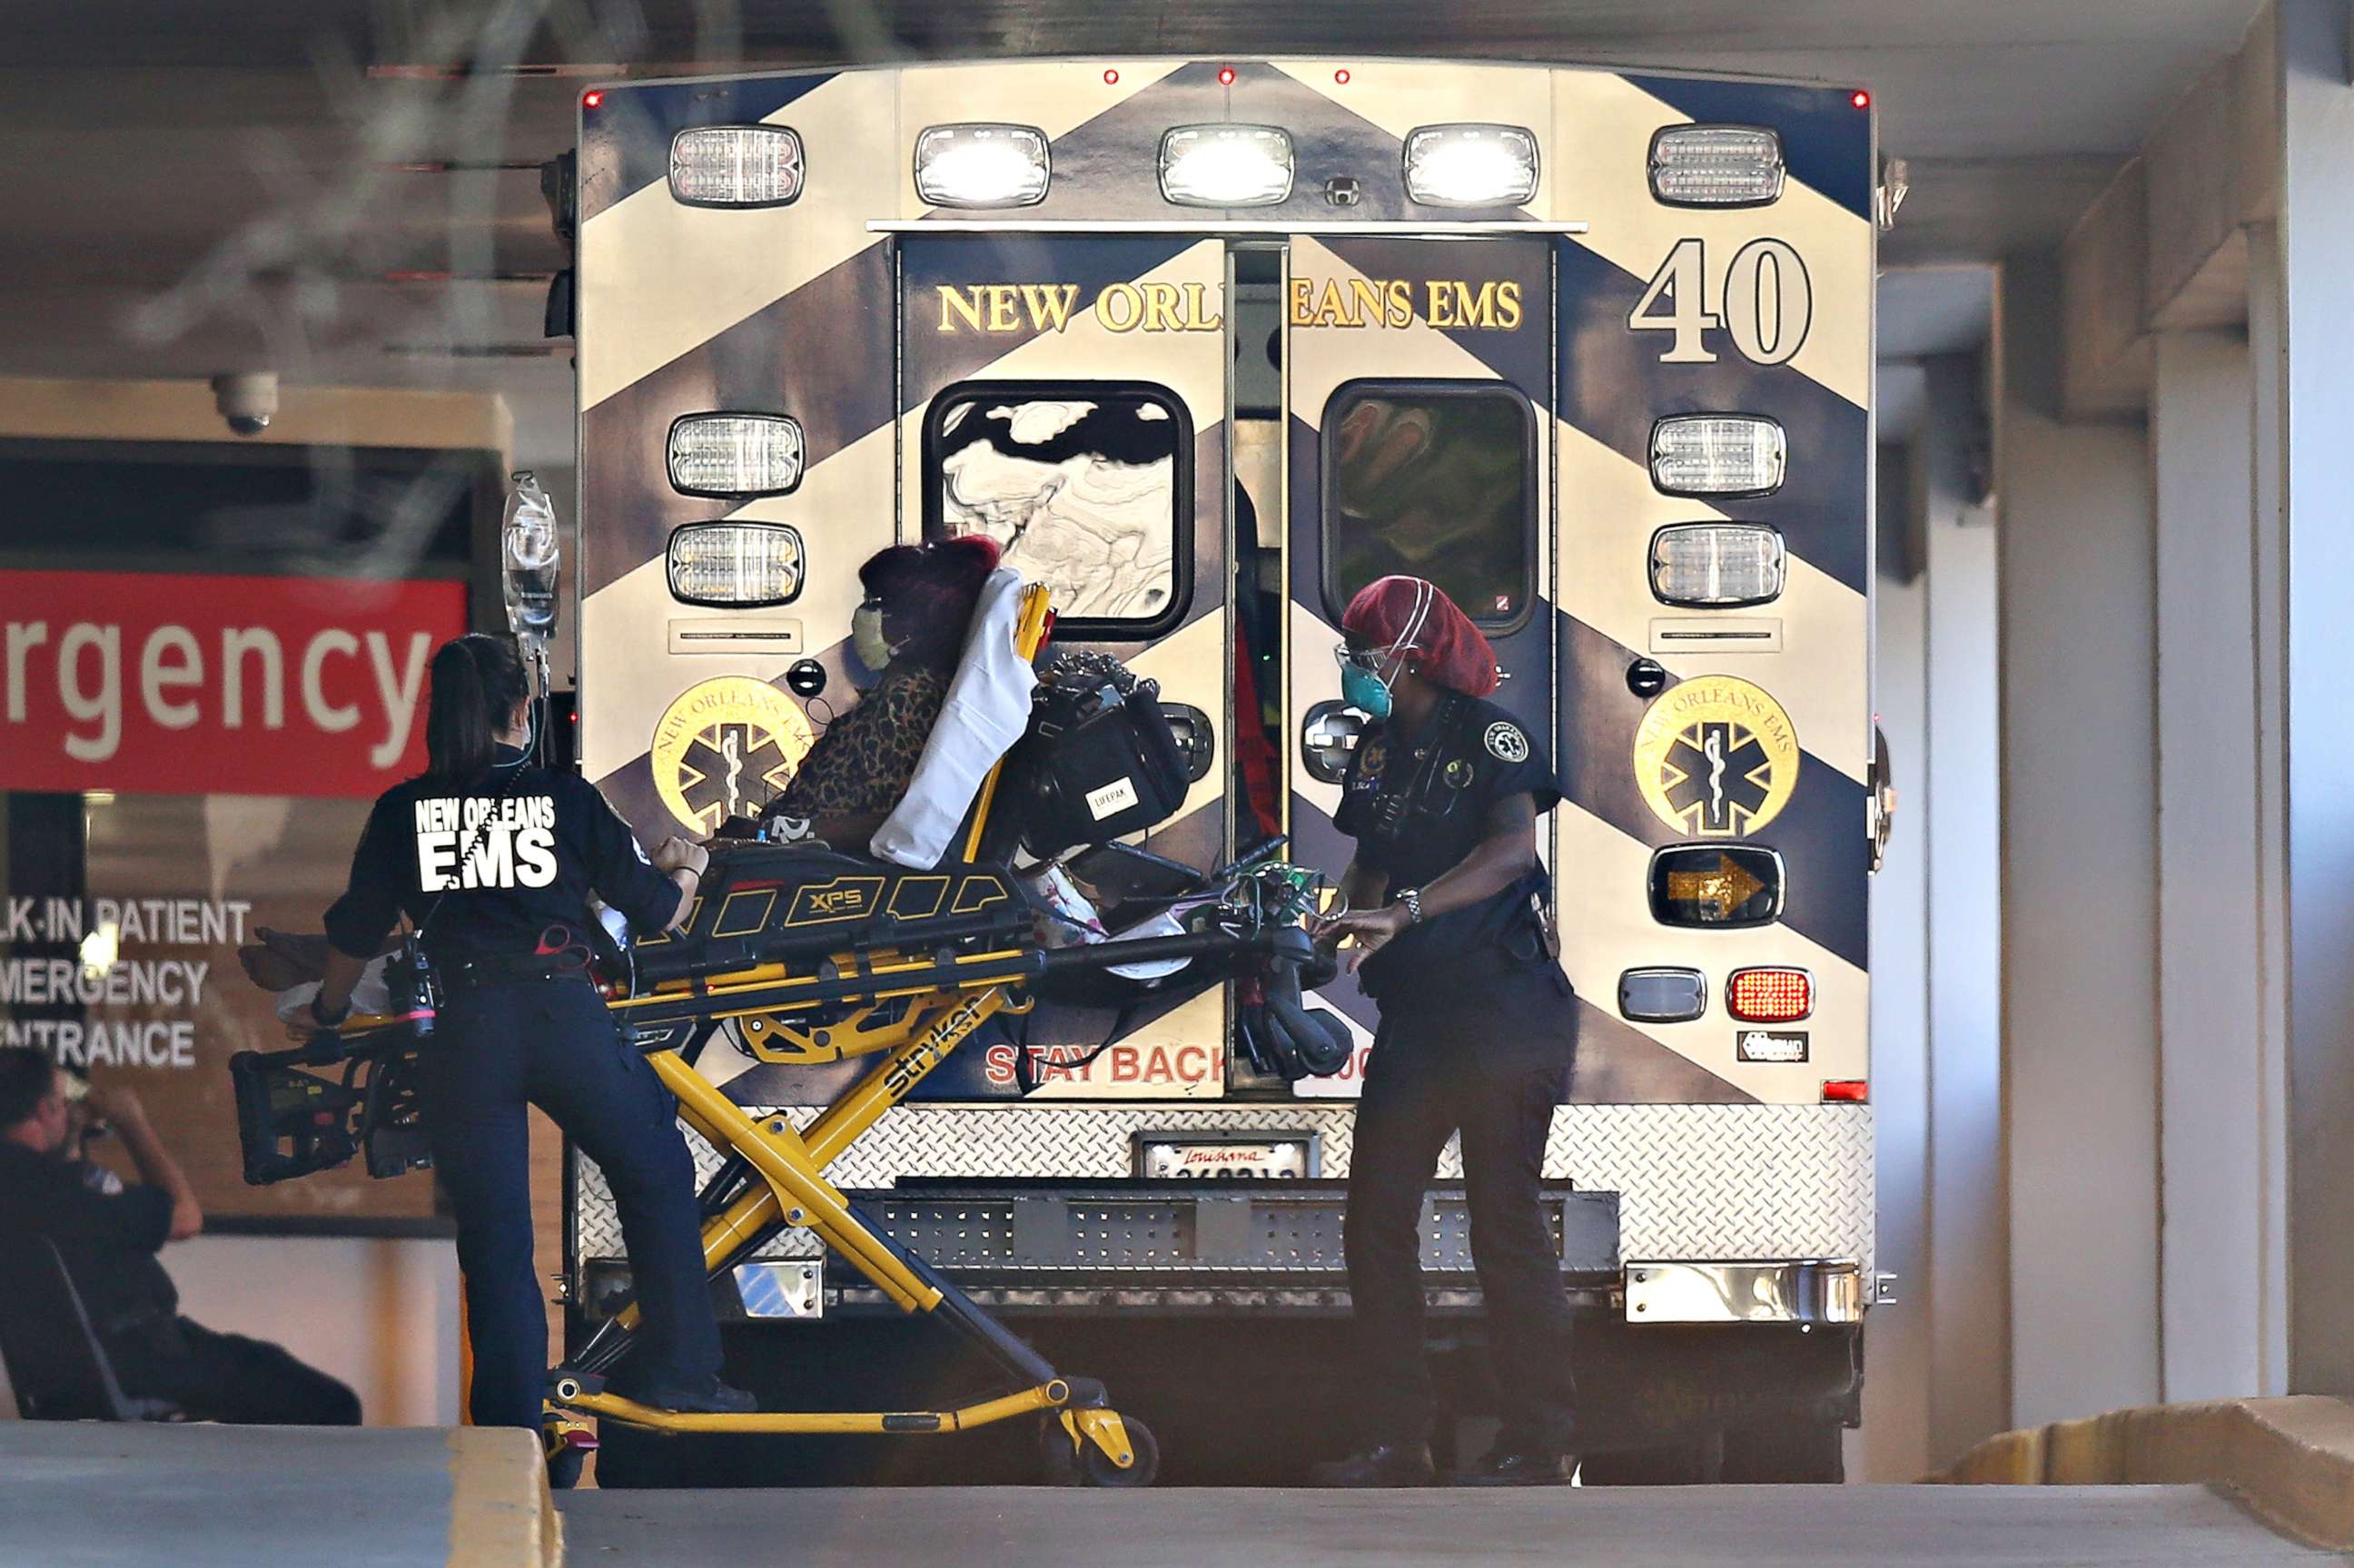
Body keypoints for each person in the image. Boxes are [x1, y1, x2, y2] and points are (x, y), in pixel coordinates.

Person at [308, 631, 748, 1430]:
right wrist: (686, 864)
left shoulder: (401, 810)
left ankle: (511, 1422)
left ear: (439, 715)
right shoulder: (565, 798)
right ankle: (682, 1373)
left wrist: (330, 1014)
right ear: (522, 709)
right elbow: (657, 909)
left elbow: (355, 930)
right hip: (559, 1015)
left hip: (463, 1032)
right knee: (653, 1172)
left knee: (497, 1233)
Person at [1305, 576, 1580, 1488]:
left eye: (1364, 651)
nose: (1354, 666)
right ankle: (1399, 1440)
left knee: (1503, 1222)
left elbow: (1511, 853)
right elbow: (1371, 863)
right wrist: (1336, 920)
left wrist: (1409, 911)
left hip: (1506, 1012)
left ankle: (1538, 1442)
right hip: (1421, 1018)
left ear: (1410, 656)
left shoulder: (1490, 737)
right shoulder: (1377, 750)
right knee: (1375, 1220)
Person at [0, 1049, 361, 1424]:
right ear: (46, 1110)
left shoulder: (24, 1186)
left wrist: (70, 1138)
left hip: (68, 1380)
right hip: (146, 1361)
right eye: (62, 1102)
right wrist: (132, 1122)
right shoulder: (59, 1190)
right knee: (332, 1404)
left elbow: (75, 1215)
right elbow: (184, 1218)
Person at [744, 535, 1000, 846]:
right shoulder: (900, 690)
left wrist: (775, 834)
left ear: (912, 623)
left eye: (873, 604)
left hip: (811, 863)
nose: (861, 616)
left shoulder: (907, 700)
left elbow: (893, 822)